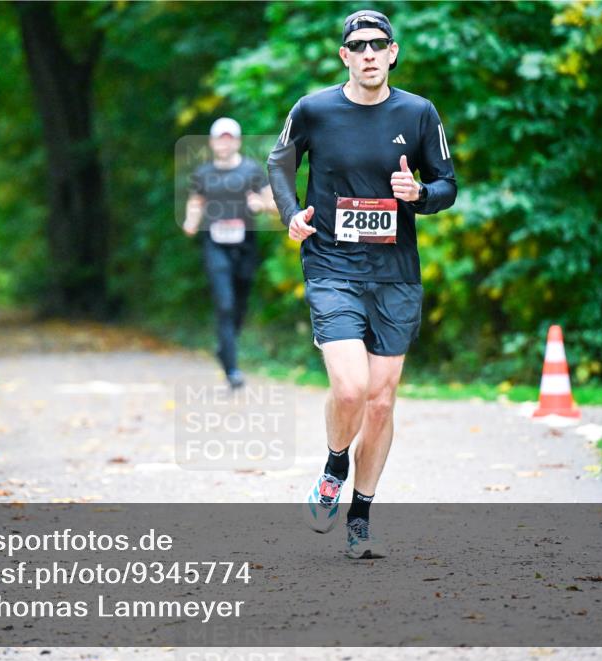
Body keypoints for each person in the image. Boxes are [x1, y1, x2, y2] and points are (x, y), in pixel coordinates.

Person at [267, 10, 457, 557]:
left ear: (393, 52)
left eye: (379, 44)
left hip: (395, 275)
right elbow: (280, 162)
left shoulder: (420, 114)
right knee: (351, 389)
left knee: (381, 401)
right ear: (345, 56)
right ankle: (333, 467)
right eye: (359, 45)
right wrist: (290, 214)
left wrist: (419, 195)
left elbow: (448, 184)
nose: (370, 53)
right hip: (332, 266)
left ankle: (360, 516)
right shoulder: (315, 110)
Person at [184, 118, 277, 389]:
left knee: (239, 304)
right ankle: (232, 370)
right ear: (212, 143)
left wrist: (260, 204)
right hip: (215, 244)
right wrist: (191, 220)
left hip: (245, 244)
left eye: (229, 138)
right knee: (224, 304)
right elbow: (195, 202)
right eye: (219, 138)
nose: (224, 143)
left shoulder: (251, 170)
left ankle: (225, 347)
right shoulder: (203, 173)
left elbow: (274, 203)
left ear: (237, 141)